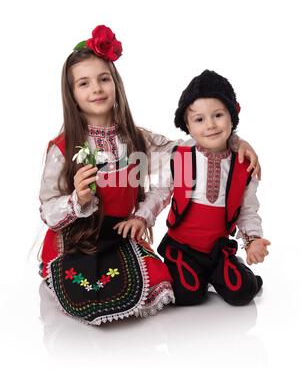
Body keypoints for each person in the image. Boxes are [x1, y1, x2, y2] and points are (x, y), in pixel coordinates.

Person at [39, 25, 261, 325]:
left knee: (161, 282)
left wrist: (236, 141)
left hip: (120, 234)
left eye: (104, 79)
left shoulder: (135, 139)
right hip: (81, 239)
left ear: (115, 83)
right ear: (71, 93)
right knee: (88, 293)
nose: (96, 89)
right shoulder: (63, 148)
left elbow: (192, 146)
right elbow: (47, 208)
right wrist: (77, 199)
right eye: (84, 83)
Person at [120, 70, 270, 307]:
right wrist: (141, 217)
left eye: (218, 115)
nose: (210, 125)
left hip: (218, 249)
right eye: (199, 119)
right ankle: (197, 277)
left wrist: (253, 240)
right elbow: (161, 192)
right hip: (182, 247)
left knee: (242, 293)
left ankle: (224, 270)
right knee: (186, 295)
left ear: (232, 118)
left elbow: (247, 211)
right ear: (188, 126)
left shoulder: (243, 165)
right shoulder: (181, 156)